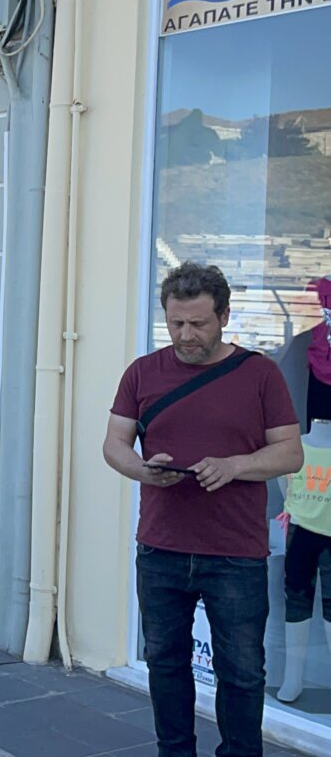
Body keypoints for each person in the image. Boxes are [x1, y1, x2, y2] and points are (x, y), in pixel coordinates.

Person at [103, 261, 302, 757]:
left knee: (242, 672)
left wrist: (235, 466)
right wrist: (142, 470)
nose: (186, 335)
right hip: (161, 547)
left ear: (224, 317)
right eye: (176, 323)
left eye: (198, 323)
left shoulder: (260, 373)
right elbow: (114, 444)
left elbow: (290, 454)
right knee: (165, 664)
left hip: (235, 552)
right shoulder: (142, 372)